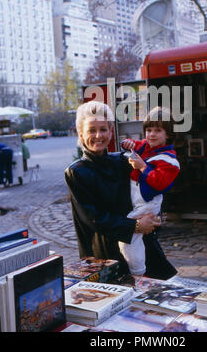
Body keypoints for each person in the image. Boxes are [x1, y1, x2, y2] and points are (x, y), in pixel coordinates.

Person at [64, 101, 177, 280]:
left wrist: (153, 218)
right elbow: (94, 219)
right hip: (104, 251)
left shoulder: (123, 160)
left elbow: (151, 189)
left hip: (140, 242)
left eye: (103, 129)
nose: (98, 136)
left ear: (111, 131)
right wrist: (136, 226)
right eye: (91, 130)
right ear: (81, 134)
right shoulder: (77, 172)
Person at [118, 106, 180, 276]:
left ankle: (137, 272)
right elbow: (135, 145)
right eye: (148, 130)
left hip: (147, 203)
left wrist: (143, 167)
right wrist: (127, 144)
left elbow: (160, 183)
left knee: (129, 234)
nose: (151, 134)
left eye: (158, 130)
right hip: (138, 200)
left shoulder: (169, 160)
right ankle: (149, 271)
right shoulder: (146, 146)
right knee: (144, 241)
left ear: (168, 134)